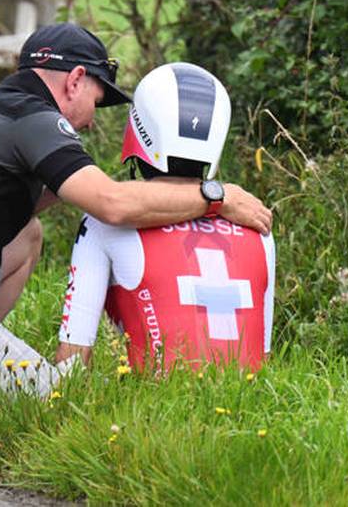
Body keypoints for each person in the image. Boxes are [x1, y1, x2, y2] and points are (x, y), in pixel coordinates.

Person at [0, 24, 273, 460]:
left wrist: (152, 199)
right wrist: (216, 196)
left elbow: (57, 198)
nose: (93, 118)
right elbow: (112, 204)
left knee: (27, 235)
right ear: (76, 79)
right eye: (98, 101)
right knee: (55, 409)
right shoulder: (35, 121)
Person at [55, 63, 275, 372]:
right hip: (252, 407)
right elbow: (261, 357)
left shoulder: (102, 223)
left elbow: (73, 363)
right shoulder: (255, 222)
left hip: (155, 409)